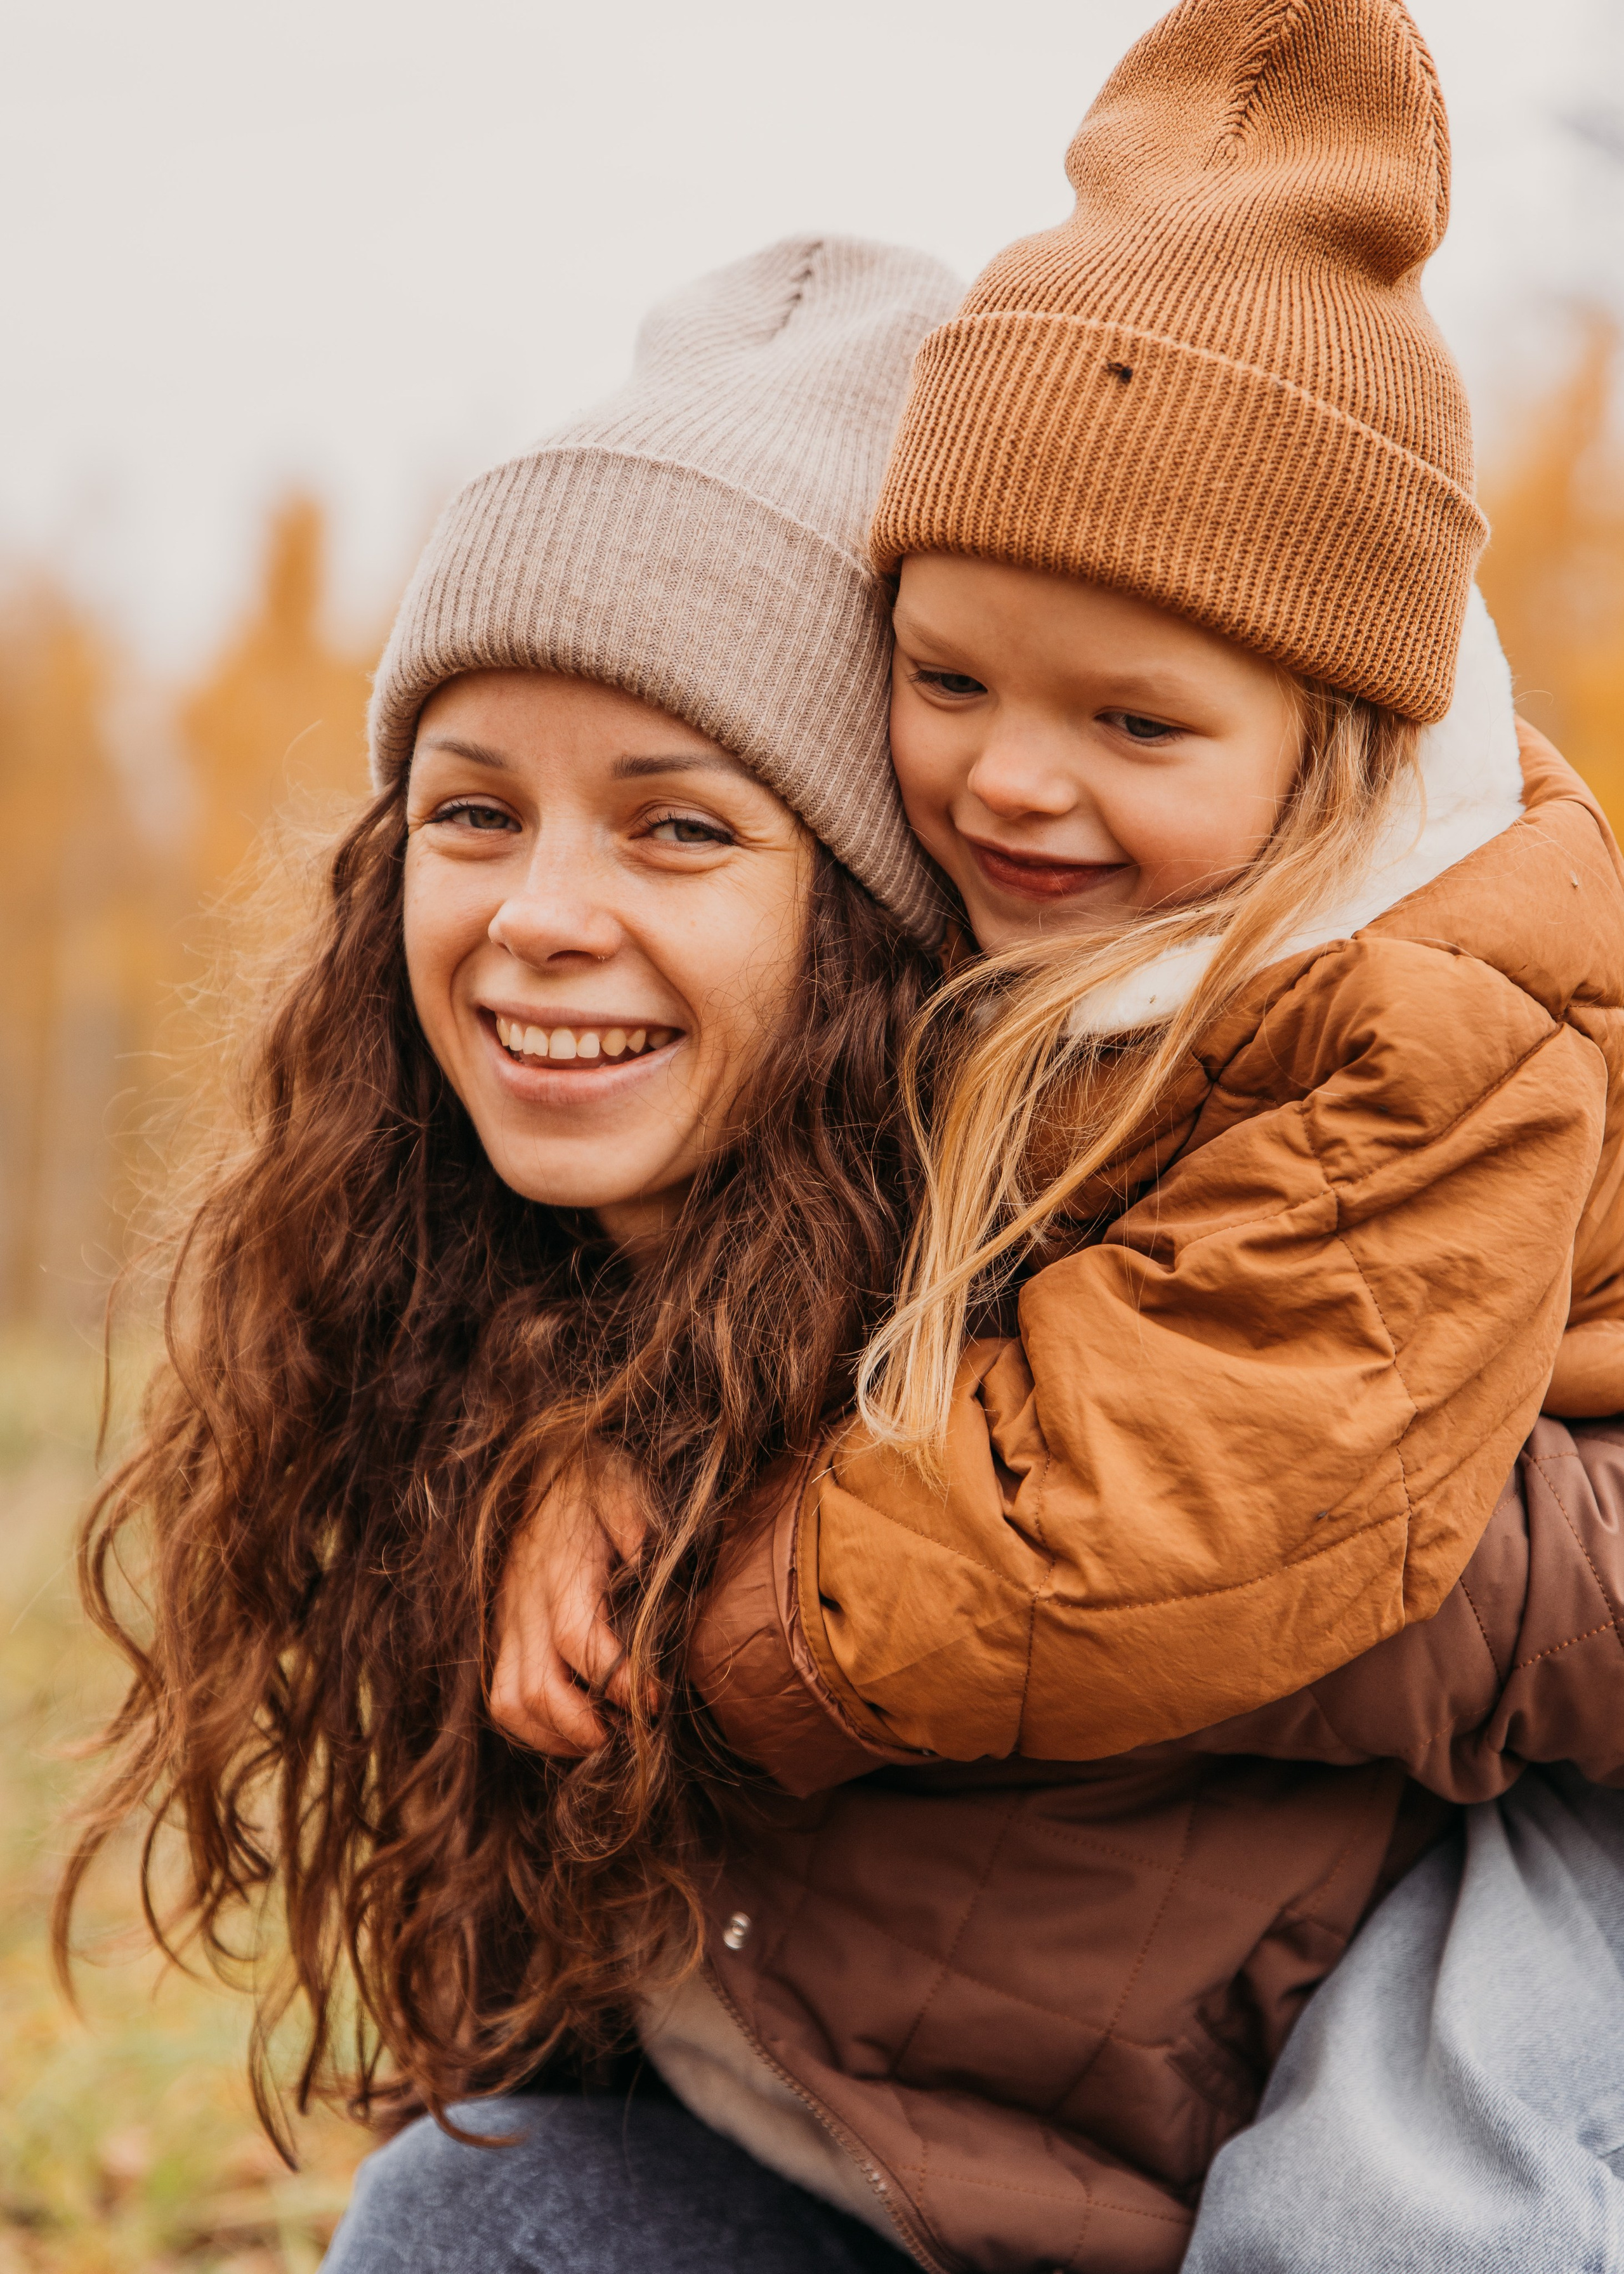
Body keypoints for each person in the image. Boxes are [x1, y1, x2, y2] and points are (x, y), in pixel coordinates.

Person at [489, 3, 1624, 2267]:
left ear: (1341, 742)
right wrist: (594, 1435)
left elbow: (1154, 1505)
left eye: (1133, 717)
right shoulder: (1093, 939)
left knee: (1388, 2204)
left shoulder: (1421, 1015)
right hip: (1402, 1648)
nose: (1012, 777)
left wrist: (734, 1598)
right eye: (947, 679)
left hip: (1576, 1778)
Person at [56, 235, 956, 2274]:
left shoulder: (1097, 1281)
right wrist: (573, 1436)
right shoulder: (452, 1340)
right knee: (473, 2212)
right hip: (855, 2209)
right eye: (475, 814)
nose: (540, 912)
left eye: (680, 828)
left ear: (870, 923)